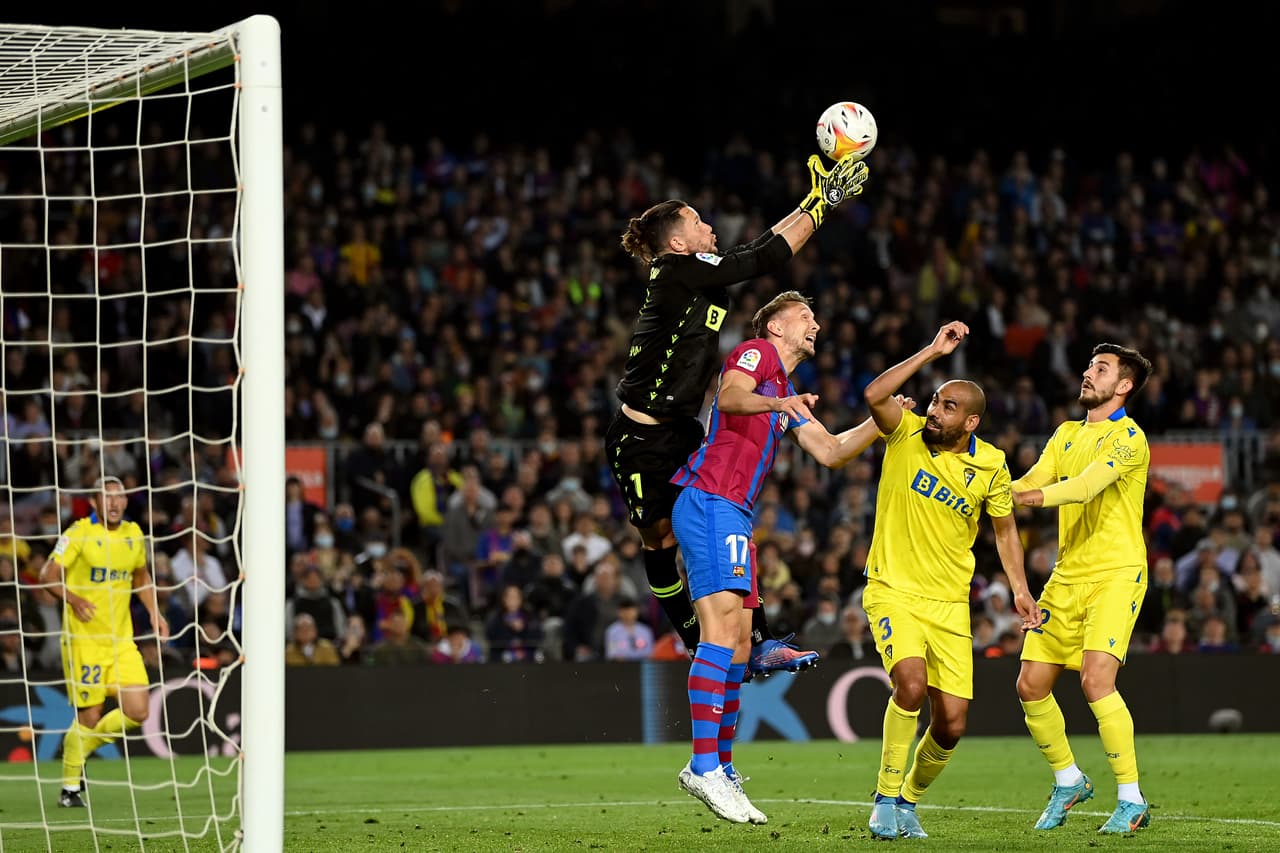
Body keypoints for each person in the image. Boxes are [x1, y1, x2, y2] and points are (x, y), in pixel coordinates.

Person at [606, 151, 869, 679]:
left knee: (716, 514)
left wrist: (817, 199)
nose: (709, 226)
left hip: (682, 428)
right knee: (659, 538)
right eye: (697, 222)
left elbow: (755, 250)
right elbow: (763, 259)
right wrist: (821, 207)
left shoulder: (699, 275)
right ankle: (692, 638)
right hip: (639, 435)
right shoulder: (677, 270)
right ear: (677, 242)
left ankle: (760, 637)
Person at [670, 291, 907, 825]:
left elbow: (831, 452)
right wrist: (780, 404)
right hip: (711, 500)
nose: (816, 324)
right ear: (775, 325)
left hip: (734, 514)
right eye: (805, 316)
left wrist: (886, 421)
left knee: (737, 643)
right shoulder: (757, 353)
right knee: (720, 631)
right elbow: (730, 397)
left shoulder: (784, 389)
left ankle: (721, 769)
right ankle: (702, 765)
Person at [859, 321, 1040, 840]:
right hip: (892, 589)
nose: (935, 412)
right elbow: (874, 393)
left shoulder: (992, 465)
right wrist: (932, 352)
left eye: (948, 407)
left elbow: (1005, 533)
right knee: (910, 685)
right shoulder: (905, 432)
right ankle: (885, 798)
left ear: (972, 421)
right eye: (935, 402)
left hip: (950, 604)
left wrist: (1022, 591)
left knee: (953, 724)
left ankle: (909, 799)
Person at [1010, 343, 1154, 834]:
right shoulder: (1068, 432)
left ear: (1125, 385)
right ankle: (1069, 779)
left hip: (1116, 572)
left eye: (1102, 369)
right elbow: (1034, 477)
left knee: (1096, 681)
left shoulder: (1129, 439)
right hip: (1067, 575)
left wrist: (1022, 498)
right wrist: (989, 490)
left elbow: (1084, 487)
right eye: (1090, 366)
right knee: (1030, 684)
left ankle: (1131, 799)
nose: (1089, 374)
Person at [40, 476, 169, 808]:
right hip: (85, 641)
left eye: (118, 496)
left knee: (139, 710)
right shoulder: (78, 533)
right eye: (105, 497)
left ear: (125, 501)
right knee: (90, 718)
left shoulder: (133, 534)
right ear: (95, 502)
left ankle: (79, 748)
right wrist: (73, 599)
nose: (113, 502)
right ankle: (70, 788)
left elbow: (141, 577)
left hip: (122, 641)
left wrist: (155, 612)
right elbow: (47, 575)